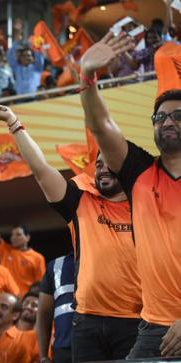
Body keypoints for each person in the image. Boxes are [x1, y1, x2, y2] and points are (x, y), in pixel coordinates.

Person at [0, 102, 142, 361]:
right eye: (97, 164)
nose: (101, 167)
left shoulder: (145, 204)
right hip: (87, 322)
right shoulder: (82, 201)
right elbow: (42, 170)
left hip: (135, 321)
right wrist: (14, 123)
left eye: (107, 161)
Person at [79, 32, 181, 359]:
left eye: (178, 116)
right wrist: (87, 77)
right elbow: (101, 125)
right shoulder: (138, 171)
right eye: (160, 117)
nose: (167, 121)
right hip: (153, 330)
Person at [0, 194, 46, 294]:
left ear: (27, 237)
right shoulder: (4, 250)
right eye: (12, 235)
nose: (14, 237)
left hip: (24, 303)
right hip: (5, 300)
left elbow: (40, 285)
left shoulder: (37, 258)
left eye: (18, 235)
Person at [37, 254, 75, 363]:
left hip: (100, 346)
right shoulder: (55, 265)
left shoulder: (109, 260)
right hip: (64, 347)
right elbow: (44, 315)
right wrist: (43, 356)